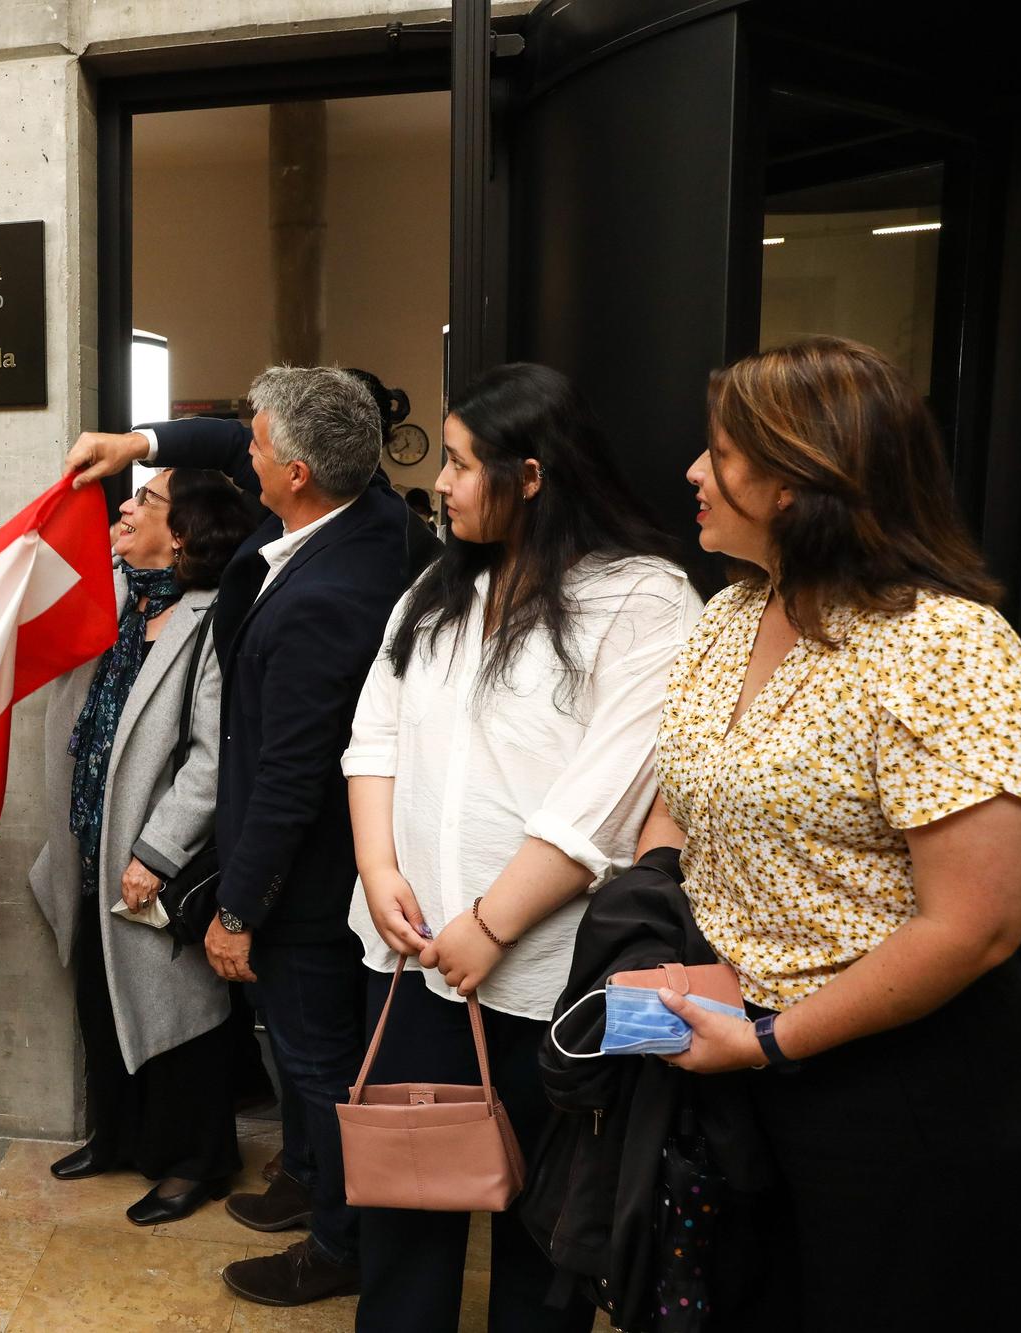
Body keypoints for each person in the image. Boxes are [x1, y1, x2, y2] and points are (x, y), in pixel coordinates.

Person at [643, 337, 1021, 1331]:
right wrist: (653, 923)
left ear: (794, 479)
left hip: (894, 1088)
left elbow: (977, 925)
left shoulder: (943, 644)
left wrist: (772, 1041)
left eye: (717, 453)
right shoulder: (728, 614)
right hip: (737, 1058)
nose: (692, 473)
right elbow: (679, 797)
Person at [346, 362, 698, 1332]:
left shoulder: (641, 598)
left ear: (531, 475)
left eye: (460, 464)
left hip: (550, 972)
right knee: (402, 1215)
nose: (443, 484)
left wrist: (492, 925)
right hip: (410, 957)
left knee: (544, 1243)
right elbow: (372, 736)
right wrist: (378, 871)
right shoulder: (438, 583)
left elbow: (607, 794)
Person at [67, 365, 428, 1306]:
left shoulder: (323, 596)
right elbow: (229, 444)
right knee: (314, 1065)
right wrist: (137, 444)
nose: (245, 455)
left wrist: (237, 906)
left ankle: (343, 1242)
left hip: (306, 883)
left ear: (300, 472)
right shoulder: (370, 514)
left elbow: (286, 776)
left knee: (319, 1068)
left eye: (261, 446)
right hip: (321, 867)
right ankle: (315, 1185)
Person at [31, 467, 255, 1225]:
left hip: (157, 854)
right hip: (91, 840)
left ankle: (196, 1160)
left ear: (184, 532)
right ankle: (117, 1136)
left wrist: (156, 852)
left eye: (147, 500)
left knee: (177, 1009)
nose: (125, 507)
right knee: (100, 997)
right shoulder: (118, 599)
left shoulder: (213, 617)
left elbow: (212, 757)